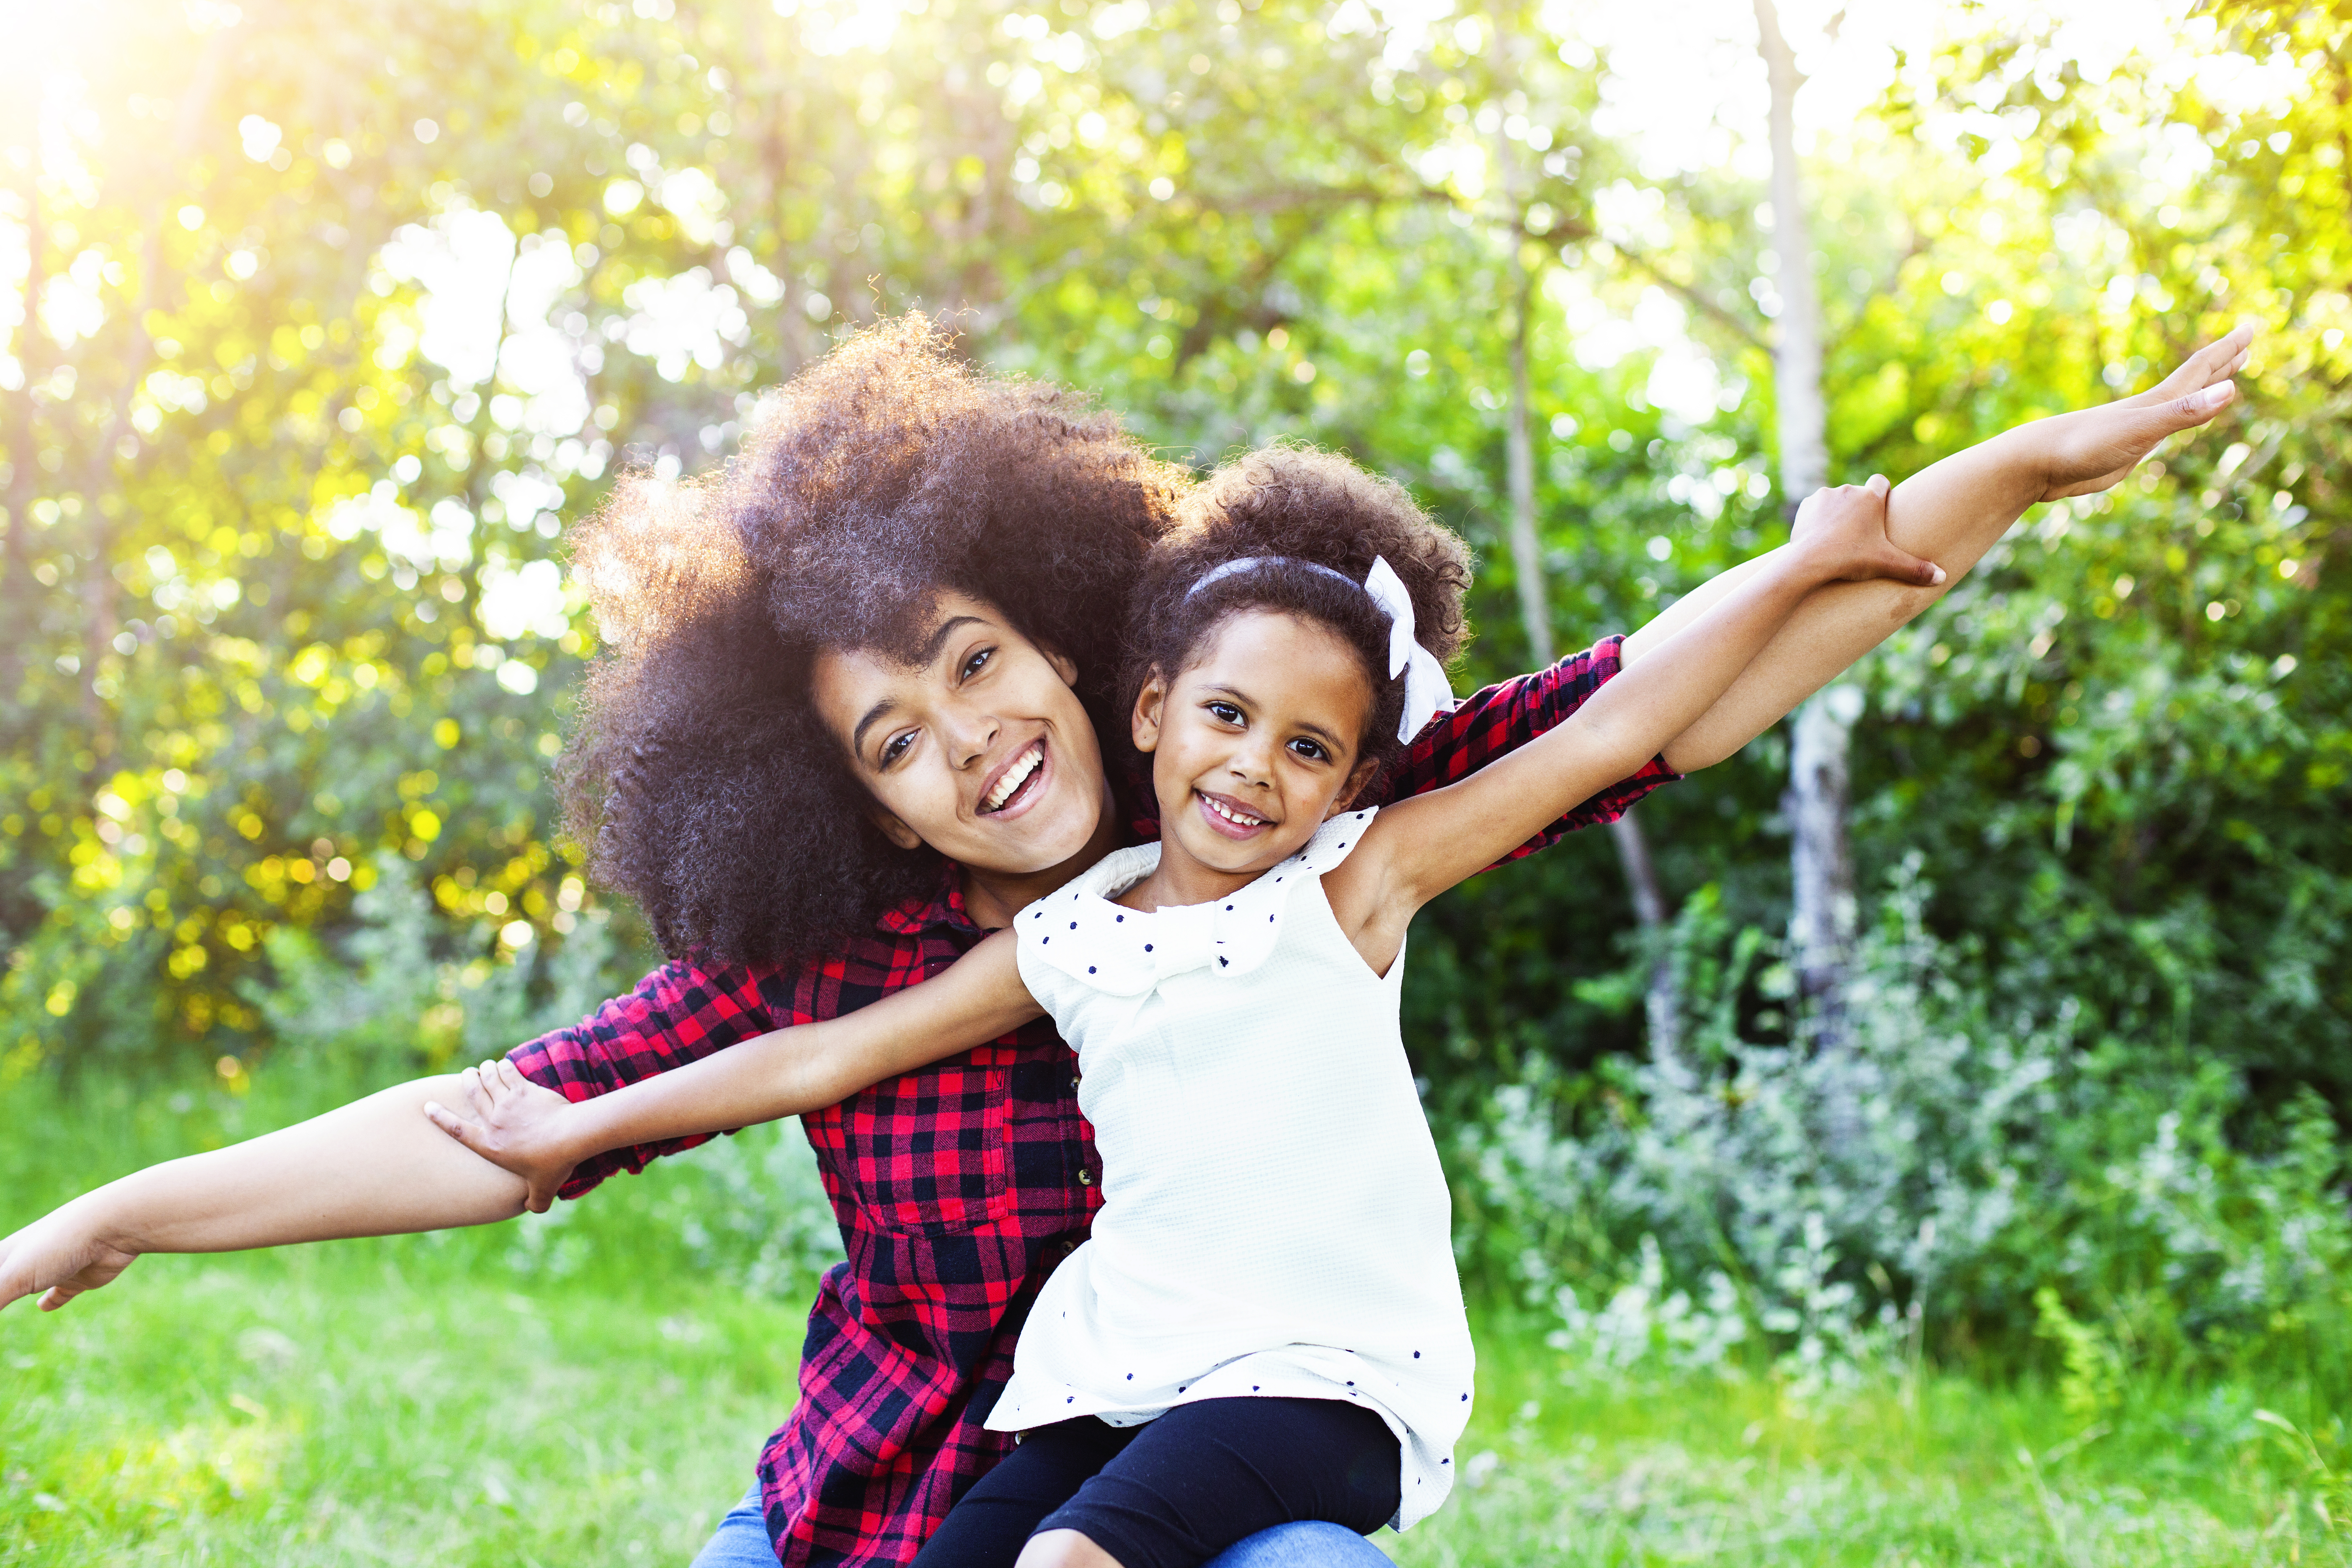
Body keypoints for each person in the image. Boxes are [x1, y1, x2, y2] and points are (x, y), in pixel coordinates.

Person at [0, 317, 2250, 1568]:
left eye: (977, 663)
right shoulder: (861, 957)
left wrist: (2011, 476)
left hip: (1217, 1495)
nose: (965, 743)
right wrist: (107, 1217)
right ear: (847, 797)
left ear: (1098, 657)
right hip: (883, 1511)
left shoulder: (1294, 831)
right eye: (892, 738)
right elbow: (506, 1123)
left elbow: (1674, 687)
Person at [411, 447, 1966, 1568]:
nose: (1254, 769)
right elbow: (820, 1056)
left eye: (1307, 749)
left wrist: (1817, 556)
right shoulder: (1077, 934)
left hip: (1317, 1382)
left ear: (1351, 782)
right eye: (1225, 716)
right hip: (1113, 1383)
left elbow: (1616, 724)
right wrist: (579, 1130)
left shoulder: (1352, 881)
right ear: (1152, 709)